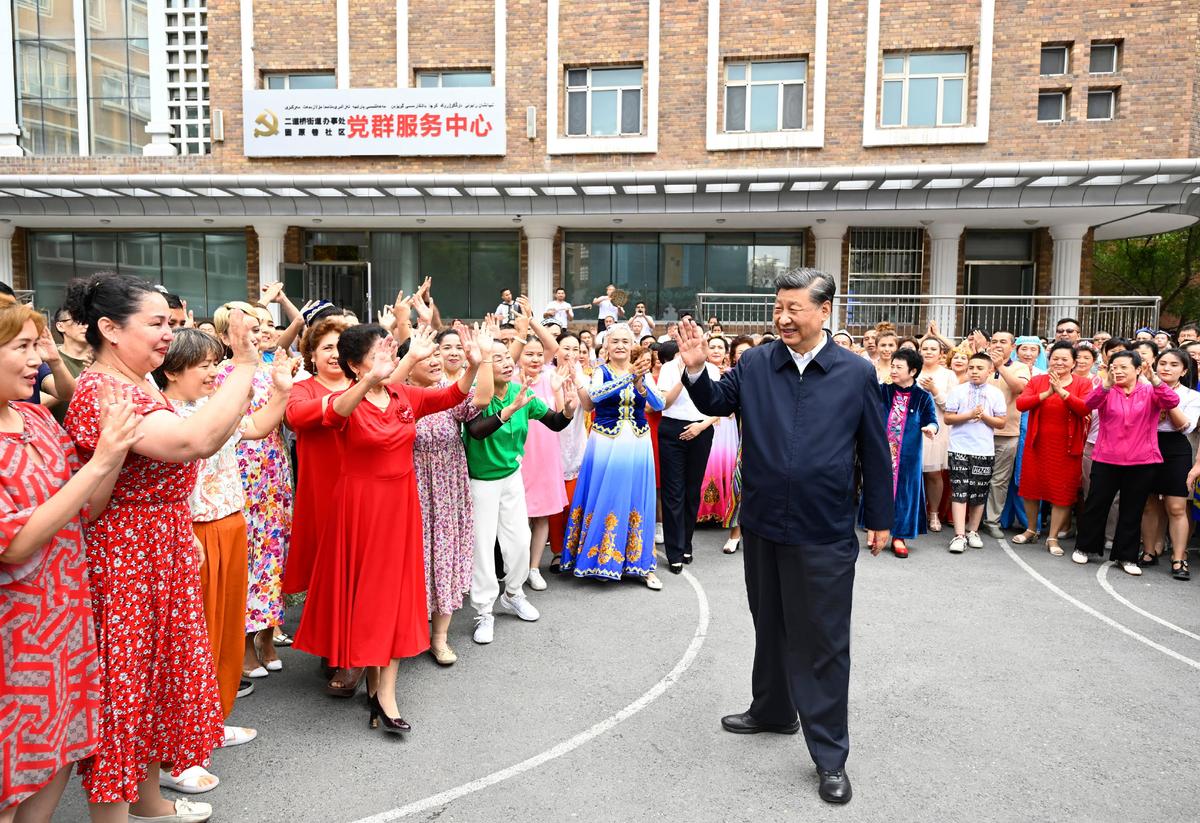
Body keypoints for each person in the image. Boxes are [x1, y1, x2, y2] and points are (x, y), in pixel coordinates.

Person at [676, 268, 892, 805]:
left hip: (825, 530)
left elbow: (874, 448)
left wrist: (881, 519)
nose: (783, 317)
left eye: (795, 308)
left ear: (824, 312)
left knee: (823, 642)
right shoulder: (754, 363)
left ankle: (830, 755)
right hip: (764, 524)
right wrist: (697, 367)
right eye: (779, 306)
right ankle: (773, 710)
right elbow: (713, 403)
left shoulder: (855, 372)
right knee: (768, 621)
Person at [63, 272, 261, 820]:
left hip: (162, 546)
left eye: (170, 324)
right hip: (126, 555)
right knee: (126, 691)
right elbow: (194, 441)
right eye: (156, 324)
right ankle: (114, 814)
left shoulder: (138, 380)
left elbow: (213, 437)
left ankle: (148, 801)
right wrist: (243, 366)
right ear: (108, 328)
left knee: (154, 683)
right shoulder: (105, 389)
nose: (168, 336)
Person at [294, 323, 486, 733]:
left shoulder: (403, 395)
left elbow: (452, 396)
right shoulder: (343, 399)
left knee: (397, 598)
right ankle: (371, 684)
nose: (389, 356)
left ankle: (385, 694)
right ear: (354, 363)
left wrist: (473, 365)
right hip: (360, 509)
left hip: (401, 506)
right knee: (368, 597)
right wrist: (368, 381)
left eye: (389, 349)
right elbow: (334, 414)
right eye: (379, 351)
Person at [0, 302, 140, 823]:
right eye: (24, 347)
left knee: (58, 750)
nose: (40, 360)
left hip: (64, 622)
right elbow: (14, 543)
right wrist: (102, 459)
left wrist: (113, 451)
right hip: (13, 639)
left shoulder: (36, 416)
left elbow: (87, 506)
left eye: (39, 345)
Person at [156, 329, 294, 748]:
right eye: (205, 365)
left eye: (217, 363)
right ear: (173, 369)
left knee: (226, 630)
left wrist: (282, 393)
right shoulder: (162, 415)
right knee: (197, 637)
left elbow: (253, 427)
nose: (215, 372)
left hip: (232, 523)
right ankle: (185, 739)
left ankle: (213, 719)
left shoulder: (208, 405)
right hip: (194, 530)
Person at [462, 339, 575, 645]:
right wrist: (509, 411)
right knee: (483, 548)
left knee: (520, 541)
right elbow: (476, 430)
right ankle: (484, 611)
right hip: (481, 480)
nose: (504, 362)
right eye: (495, 357)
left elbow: (554, 422)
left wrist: (566, 405)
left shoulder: (520, 390)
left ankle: (513, 593)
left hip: (512, 477)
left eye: (505, 357)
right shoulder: (477, 395)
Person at [212, 303, 294, 682]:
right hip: (239, 475)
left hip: (273, 474)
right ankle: (242, 645)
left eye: (264, 325)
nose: (260, 332)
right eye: (250, 327)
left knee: (274, 554)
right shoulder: (220, 375)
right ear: (227, 334)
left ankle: (266, 636)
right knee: (248, 556)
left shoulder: (271, 370)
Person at [408, 322, 495, 665]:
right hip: (411, 483)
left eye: (436, 356)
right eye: (428, 355)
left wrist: (484, 358)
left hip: (447, 483)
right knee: (415, 557)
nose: (435, 361)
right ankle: (410, 630)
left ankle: (439, 637)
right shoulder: (398, 392)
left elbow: (483, 398)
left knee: (443, 555)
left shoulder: (448, 389)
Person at [562, 324, 663, 589]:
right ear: (606, 346)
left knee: (637, 499)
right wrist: (628, 377)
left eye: (625, 341)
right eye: (614, 341)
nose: (620, 345)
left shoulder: (641, 371)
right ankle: (599, 559)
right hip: (606, 442)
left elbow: (660, 404)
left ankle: (641, 564)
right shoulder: (600, 371)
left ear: (632, 345)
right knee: (606, 495)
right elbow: (594, 397)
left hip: (638, 444)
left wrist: (640, 380)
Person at [1075, 351, 1179, 573]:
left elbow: (1173, 401)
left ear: (1138, 369)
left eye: (1123, 367)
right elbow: (1087, 405)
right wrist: (1105, 385)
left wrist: (1156, 380)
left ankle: (1126, 556)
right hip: (1106, 458)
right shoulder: (1106, 390)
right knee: (1096, 504)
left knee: (1133, 509)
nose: (1118, 371)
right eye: (1114, 367)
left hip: (1142, 461)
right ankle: (1085, 547)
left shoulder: (1150, 391)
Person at [1010, 342, 1091, 554]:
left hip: (1067, 448)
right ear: (1048, 360)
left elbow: (1084, 408)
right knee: (1031, 489)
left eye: (1065, 359)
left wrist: (1062, 392)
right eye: (1055, 358)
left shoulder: (1083, 383)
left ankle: (1053, 537)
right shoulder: (1038, 380)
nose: (1059, 362)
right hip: (1037, 444)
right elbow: (1022, 404)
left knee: (1061, 493)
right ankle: (1031, 529)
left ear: (1074, 362)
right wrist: (1046, 394)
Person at [656, 338, 720, 572]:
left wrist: (700, 426)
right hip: (672, 429)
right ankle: (674, 550)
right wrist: (684, 377)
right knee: (673, 491)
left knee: (693, 490)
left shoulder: (711, 369)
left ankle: (686, 544)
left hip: (701, 430)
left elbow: (719, 406)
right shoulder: (668, 368)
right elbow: (663, 403)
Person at [514, 320, 567, 590]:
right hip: (518, 455)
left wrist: (533, 319)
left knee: (542, 515)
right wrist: (523, 331)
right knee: (517, 516)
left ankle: (534, 568)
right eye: (529, 353)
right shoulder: (511, 378)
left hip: (545, 453)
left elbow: (560, 414)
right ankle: (516, 569)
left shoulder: (549, 377)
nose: (535, 358)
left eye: (538, 354)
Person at [1140, 349, 1200, 578]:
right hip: (1146, 444)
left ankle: (1178, 558)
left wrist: (1164, 394)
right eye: (1162, 363)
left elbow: (1185, 426)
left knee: (1176, 507)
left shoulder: (1192, 396)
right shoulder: (1142, 388)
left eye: (1174, 365)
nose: (1166, 368)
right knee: (1149, 503)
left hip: (1176, 448)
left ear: (1184, 370)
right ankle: (1148, 552)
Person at [943, 352, 1008, 553]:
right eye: (971, 368)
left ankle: (973, 531)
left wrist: (984, 417)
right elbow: (948, 418)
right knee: (960, 491)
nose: (974, 371)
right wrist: (969, 415)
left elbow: (1001, 422)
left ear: (990, 371)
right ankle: (959, 535)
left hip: (984, 450)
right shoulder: (958, 391)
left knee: (979, 492)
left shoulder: (996, 393)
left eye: (980, 368)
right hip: (959, 448)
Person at [876, 348, 938, 557]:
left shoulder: (922, 397)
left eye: (898, 367)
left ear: (912, 371)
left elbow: (932, 419)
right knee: (879, 489)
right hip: (883, 451)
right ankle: (875, 527)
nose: (893, 370)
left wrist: (931, 428)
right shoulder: (883, 390)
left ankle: (899, 536)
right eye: (892, 366)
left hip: (908, 455)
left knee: (905, 493)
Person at [981, 331, 1031, 539]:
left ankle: (991, 520)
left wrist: (1000, 365)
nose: (998, 345)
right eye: (994, 342)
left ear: (1013, 347)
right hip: (977, 431)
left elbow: (1020, 388)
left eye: (1003, 342)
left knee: (999, 480)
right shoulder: (981, 363)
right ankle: (971, 519)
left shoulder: (1020, 367)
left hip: (1007, 432)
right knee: (976, 477)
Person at [547, 331, 589, 572]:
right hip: (553, 445)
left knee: (574, 501)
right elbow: (556, 413)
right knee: (556, 504)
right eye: (567, 348)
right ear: (556, 350)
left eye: (577, 349)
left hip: (577, 445)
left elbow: (588, 405)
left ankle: (573, 548)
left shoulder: (585, 377)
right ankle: (557, 551)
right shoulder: (548, 376)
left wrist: (578, 381)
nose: (572, 354)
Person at [696, 336, 737, 526]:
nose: (716, 350)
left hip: (727, 426)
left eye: (720, 347)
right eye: (712, 347)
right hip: (706, 422)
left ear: (726, 352)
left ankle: (724, 512)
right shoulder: (702, 373)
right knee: (707, 465)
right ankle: (703, 512)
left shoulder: (732, 374)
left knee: (725, 464)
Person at [917, 337, 956, 532]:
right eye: (925, 348)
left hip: (938, 428)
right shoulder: (913, 370)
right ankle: (914, 512)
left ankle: (934, 514)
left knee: (933, 473)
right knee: (911, 473)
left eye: (933, 349)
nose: (929, 352)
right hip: (913, 427)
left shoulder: (948, 375)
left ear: (941, 353)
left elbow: (951, 406)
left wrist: (934, 390)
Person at [721, 336, 756, 553]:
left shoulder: (770, 375)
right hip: (744, 435)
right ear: (733, 357)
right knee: (740, 483)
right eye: (740, 353)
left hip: (775, 438)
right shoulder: (732, 378)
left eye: (748, 352)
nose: (745, 356)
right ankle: (735, 532)